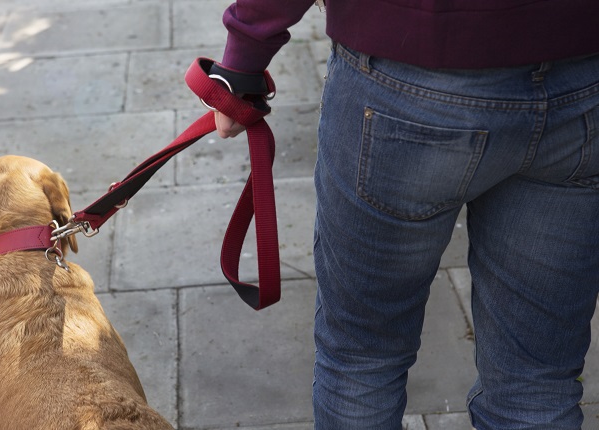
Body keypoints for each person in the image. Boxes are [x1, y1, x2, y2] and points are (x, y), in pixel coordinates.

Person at [210, 1, 599, 429]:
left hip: (406, 76)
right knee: (536, 382)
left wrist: (242, 60)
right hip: (581, 79)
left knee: (362, 359)